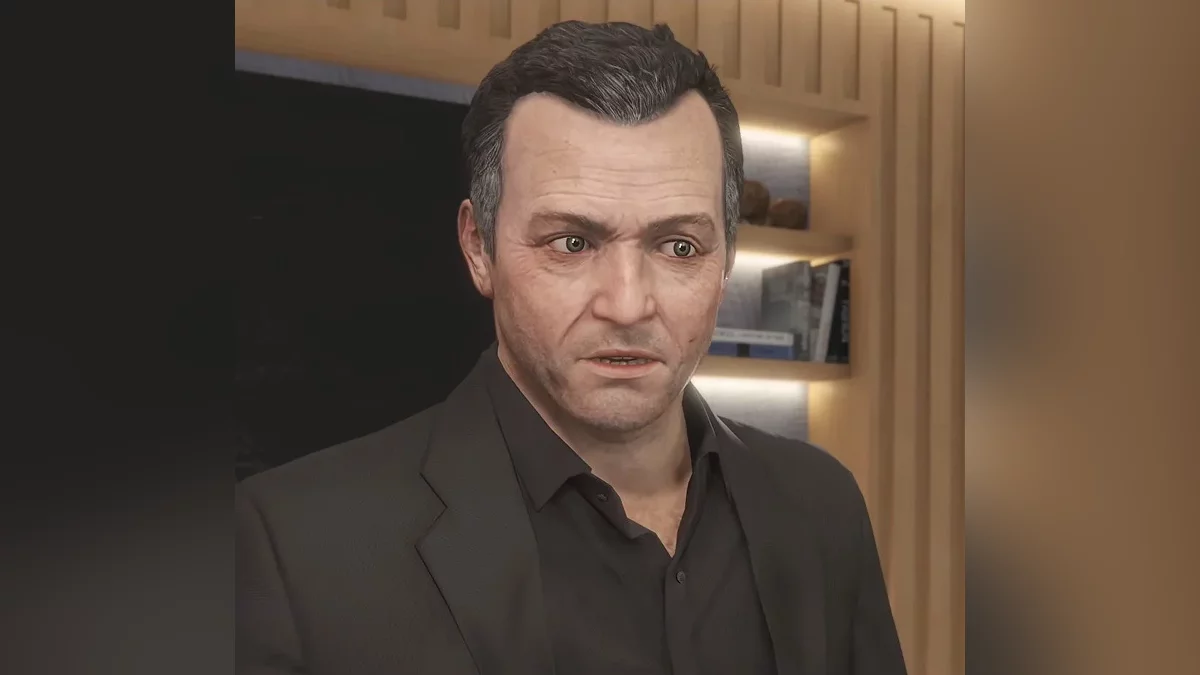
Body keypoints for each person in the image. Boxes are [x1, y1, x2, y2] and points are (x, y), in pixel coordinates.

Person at [236, 20, 906, 675]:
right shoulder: (293, 544)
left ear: (726, 259)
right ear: (479, 247)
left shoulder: (821, 503)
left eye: (679, 246)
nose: (627, 304)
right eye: (573, 242)